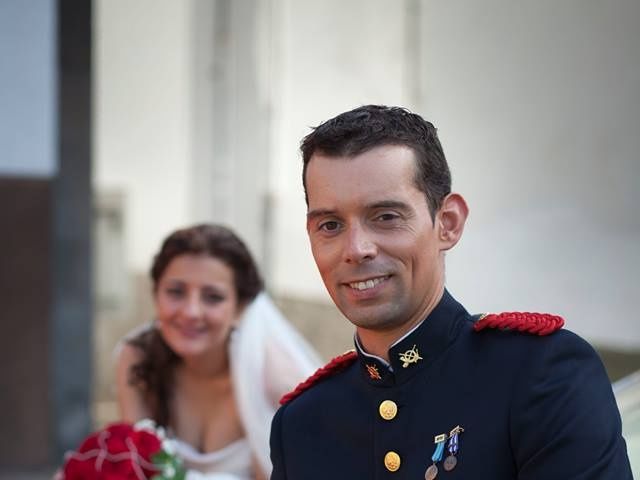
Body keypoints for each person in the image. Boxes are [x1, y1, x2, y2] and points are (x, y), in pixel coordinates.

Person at [269, 105, 633, 479]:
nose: (356, 248)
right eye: (330, 225)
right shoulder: (301, 424)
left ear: (447, 223)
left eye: (386, 217)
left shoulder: (541, 375)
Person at [115, 224, 320, 480]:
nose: (191, 312)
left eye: (212, 297)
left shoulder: (276, 380)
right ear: (156, 294)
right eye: (176, 292)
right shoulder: (136, 357)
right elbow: (133, 470)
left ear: (240, 309)